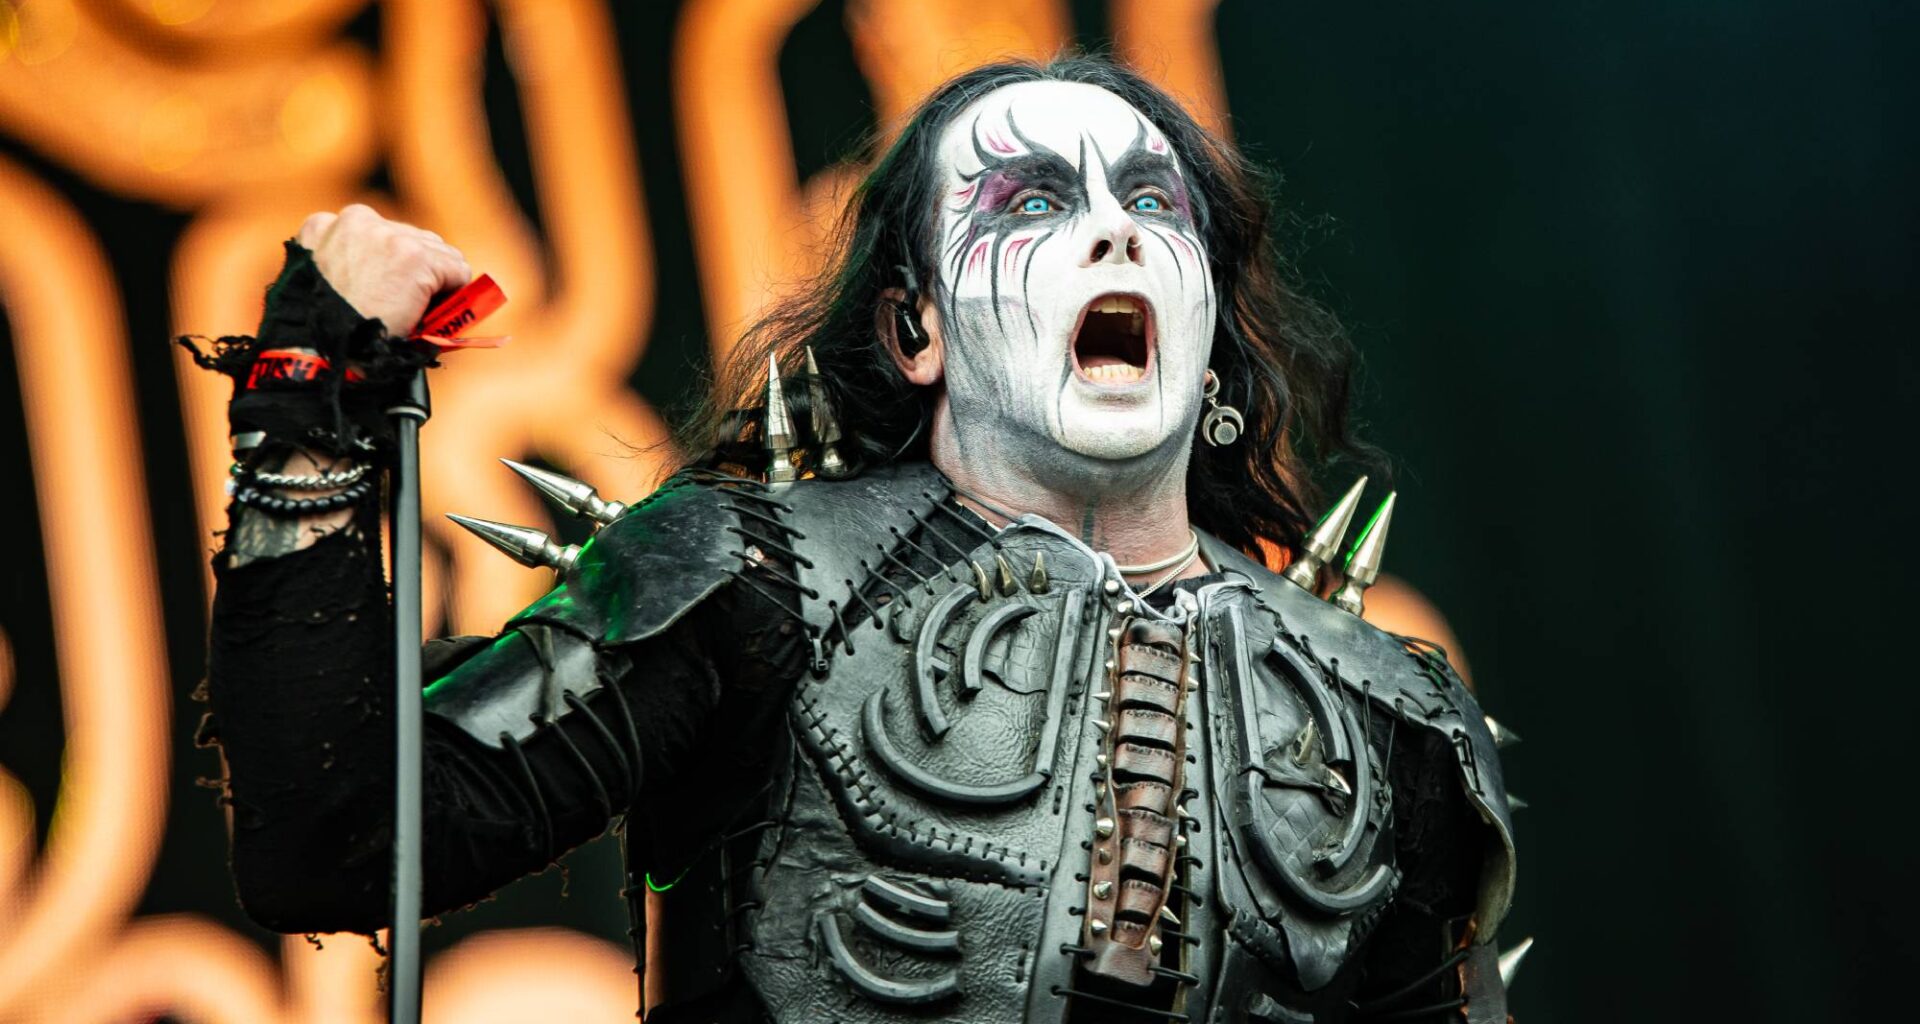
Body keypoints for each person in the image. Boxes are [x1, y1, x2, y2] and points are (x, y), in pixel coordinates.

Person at [193, 56, 1521, 1024]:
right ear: (914, 332)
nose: (1115, 227)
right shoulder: (753, 582)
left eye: (1155, 204)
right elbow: (336, 842)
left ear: (1209, 328)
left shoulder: (1386, 715)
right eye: (1030, 202)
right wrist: (310, 393)